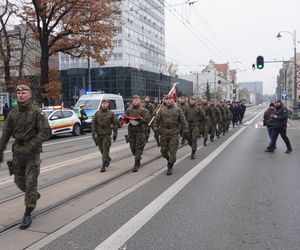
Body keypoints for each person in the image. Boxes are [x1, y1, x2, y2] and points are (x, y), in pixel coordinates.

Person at [0, 85, 50, 230]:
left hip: (32, 152)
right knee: (18, 180)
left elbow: (46, 132)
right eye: (18, 93)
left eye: (24, 93)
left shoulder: (37, 113)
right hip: (18, 151)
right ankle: (33, 195)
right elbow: (6, 134)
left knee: (30, 181)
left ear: (29, 95)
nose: (20, 95)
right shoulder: (13, 113)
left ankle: (28, 211)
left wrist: (31, 145)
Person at [154, 94, 188, 175]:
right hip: (164, 133)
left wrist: (185, 129)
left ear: (173, 100)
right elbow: (157, 120)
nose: (169, 100)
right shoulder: (162, 110)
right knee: (163, 152)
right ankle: (169, 159)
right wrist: (155, 127)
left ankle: (170, 166)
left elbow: (183, 120)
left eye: (170, 99)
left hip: (174, 133)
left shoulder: (178, 110)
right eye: (167, 99)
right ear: (165, 100)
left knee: (173, 152)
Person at [123, 95, 149, 172]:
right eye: (134, 100)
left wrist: (140, 120)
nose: (135, 101)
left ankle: (135, 164)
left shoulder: (143, 110)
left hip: (140, 130)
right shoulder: (129, 110)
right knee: (132, 148)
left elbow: (146, 120)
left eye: (137, 100)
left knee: (138, 147)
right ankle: (138, 158)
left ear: (140, 101)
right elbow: (125, 119)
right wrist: (125, 120)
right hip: (131, 131)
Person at [92, 99, 118, 172]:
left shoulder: (111, 113)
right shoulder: (97, 113)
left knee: (105, 149)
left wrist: (115, 133)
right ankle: (108, 158)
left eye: (105, 103)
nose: (104, 105)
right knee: (101, 150)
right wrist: (93, 132)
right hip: (99, 135)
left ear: (108, 104)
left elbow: (115, 123)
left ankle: (103, 165)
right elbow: (94, 123)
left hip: (107, 135)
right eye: (102, 103)